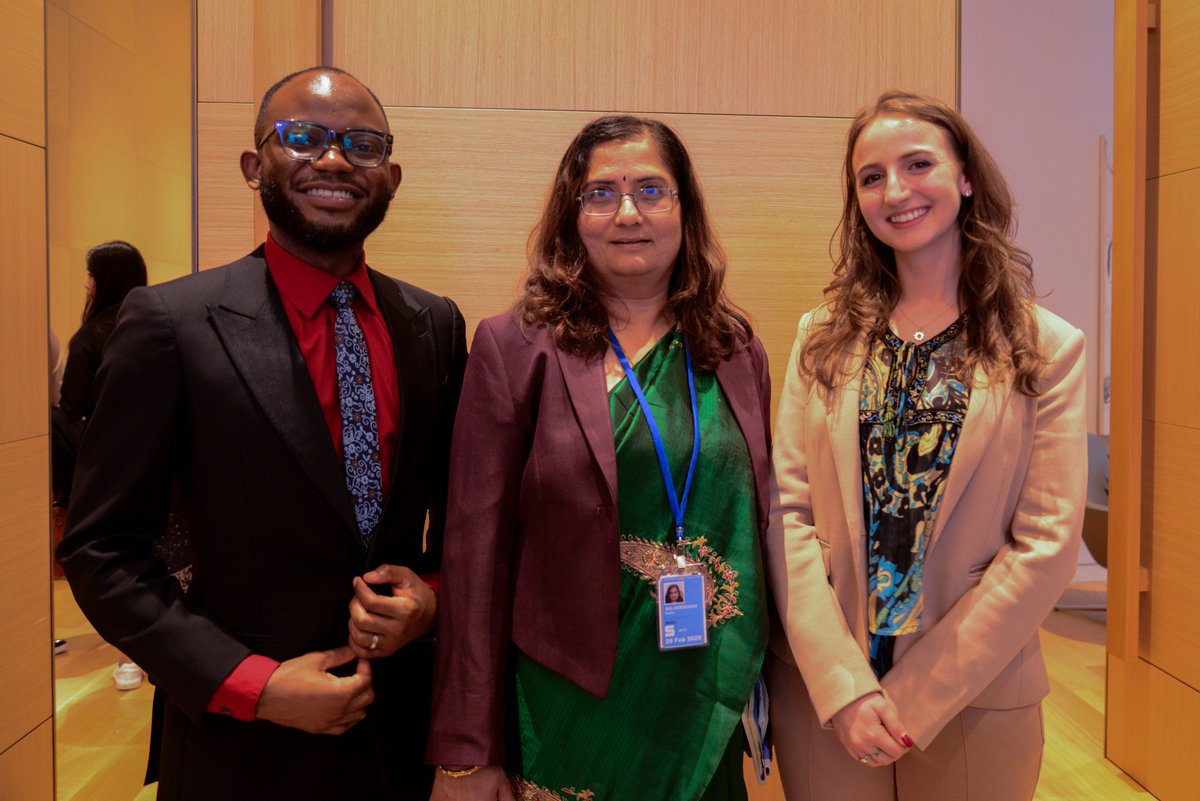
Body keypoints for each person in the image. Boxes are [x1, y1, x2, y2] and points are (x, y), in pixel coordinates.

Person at [58, 66, 466, 801]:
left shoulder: (433, 324)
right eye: (303, 138)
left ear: (391, 175)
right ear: (255, 166)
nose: (334, 161)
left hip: (403, 742)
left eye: (361, 144)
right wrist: (258, 685)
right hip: (239, 749)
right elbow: (101, 550)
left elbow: (467, 520)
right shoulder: (170, 324)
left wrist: (433, 598)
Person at [427, 115, 772, 801]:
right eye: (601, 193)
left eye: (652, 189)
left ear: (685, 208)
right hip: (564, 707)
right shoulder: (516, 348)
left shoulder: (733, 349)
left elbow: (762, 527)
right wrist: (466, 753)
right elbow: (475, 558)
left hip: (698, 697)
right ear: (571, 214)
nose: (628, 213)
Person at [765, 90, 1087, 801]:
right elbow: (786, 512)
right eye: (871, 176)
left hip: (976, 691)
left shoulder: (1047, 347)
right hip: (829, 695)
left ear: (965, 176)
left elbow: (1046, 543)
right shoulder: (819, 336)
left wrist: (914, 696)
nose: (896, 190)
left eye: (917, 164)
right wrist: (843, 685)